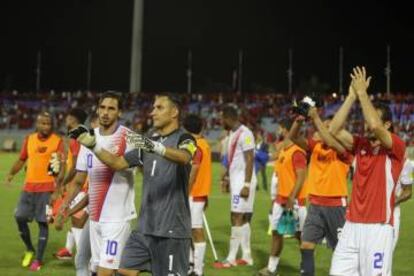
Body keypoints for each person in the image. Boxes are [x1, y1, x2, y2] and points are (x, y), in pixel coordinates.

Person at [69, 93, 197, 276]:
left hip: (172, 230)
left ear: (174, 112)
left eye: (159, 108)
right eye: (153, 108)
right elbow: (118, 163)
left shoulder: (184, 138)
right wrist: (93, 146)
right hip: (144, 229)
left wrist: (154, 147)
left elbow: (185, 157)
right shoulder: (149, 139)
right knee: (121, 270)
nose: (153, 112)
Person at [329, 67, 406, 276]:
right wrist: (352, 96)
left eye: (372, 119)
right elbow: (333, 130)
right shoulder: (360, 144)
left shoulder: (396, 147)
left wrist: (363, 93)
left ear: (388, 124)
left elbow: (374, 125)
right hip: (352, 226)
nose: (366, 123)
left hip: (378, 229)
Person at [60, 92, 137, 276]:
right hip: (95, 219)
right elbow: (79, 180)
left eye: (111, 108)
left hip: (117, 220)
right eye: (102, 107)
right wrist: (65, 206)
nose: (105, 112)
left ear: (119, 112)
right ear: (97, 109)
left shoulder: (130, 138)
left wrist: (94, 146)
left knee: (106, 272)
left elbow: (121, 164)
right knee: (99, 269)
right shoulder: (88, 137)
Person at [288, 106, 352, 276]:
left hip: (336, 205)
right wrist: (298, 121)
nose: (325, 130)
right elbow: (293, 137)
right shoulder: (314, 146)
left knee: (341, 250)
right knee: (306, 245)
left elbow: (330, 140)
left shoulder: (343, 151)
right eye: (325, 126)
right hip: (315, 204)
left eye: (330, 127)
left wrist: (316, 118)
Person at [4, 112, 64, 271]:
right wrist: (11, 173)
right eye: (42, 123)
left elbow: (60, 167)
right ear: (37, 124)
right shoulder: (29, 139)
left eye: (48, 123)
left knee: (43, 222)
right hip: (28, 188)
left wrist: (57, 190)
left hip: (47, 190)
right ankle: (29, 248)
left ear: (52, 125)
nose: (45, 126)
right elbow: (22, 159)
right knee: (19, 216)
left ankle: (38, 259)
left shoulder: (57, 141)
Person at [256, 118, 308, 276]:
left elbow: (301, 176)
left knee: (300, 236)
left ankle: (307, 267)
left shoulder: (297, 151)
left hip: (295, 202)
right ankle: (271, 269)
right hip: (280, 200)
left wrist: (292, 197)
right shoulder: (284, 150)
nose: (278, 130)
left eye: (280, 128)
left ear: (286, 130)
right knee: (277, 234)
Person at [214, 104, 257, 268]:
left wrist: (245, 184)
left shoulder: (245, 133)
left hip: (243, 182)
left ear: (228, 118)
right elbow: (235, 160)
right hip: (237, 180)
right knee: (243, 218)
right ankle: (247, 256)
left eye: (221, 119)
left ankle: (231, 259)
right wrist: (226, 177)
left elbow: (250, 159)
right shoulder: (233, 134)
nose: (220, 122)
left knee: (236, 217)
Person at [54, 108, 89, 260]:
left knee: (77, 221)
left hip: (81, 185)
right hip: (83, 184)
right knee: (77, 220)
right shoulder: (84, 134)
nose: (66, 120)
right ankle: (69, 250)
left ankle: (83, 258)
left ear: (73, 119)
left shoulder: (75, 137)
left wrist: (63, 182)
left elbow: (75, 165)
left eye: (68, 117)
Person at [183, 114, 212, 276]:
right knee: (188, 229)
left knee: (195, 230)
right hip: (199, 193)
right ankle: (191, 263)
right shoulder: (204, 144)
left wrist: (184, 192)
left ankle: (198, 270)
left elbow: (194, 171)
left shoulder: (196, 146)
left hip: (193, 194)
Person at [392, 153, 413, 252]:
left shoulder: (406, 163)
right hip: (369, 211)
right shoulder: (376, 158)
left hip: (392, 212)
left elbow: (408, 192)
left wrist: (393, 201)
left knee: (388, 250)